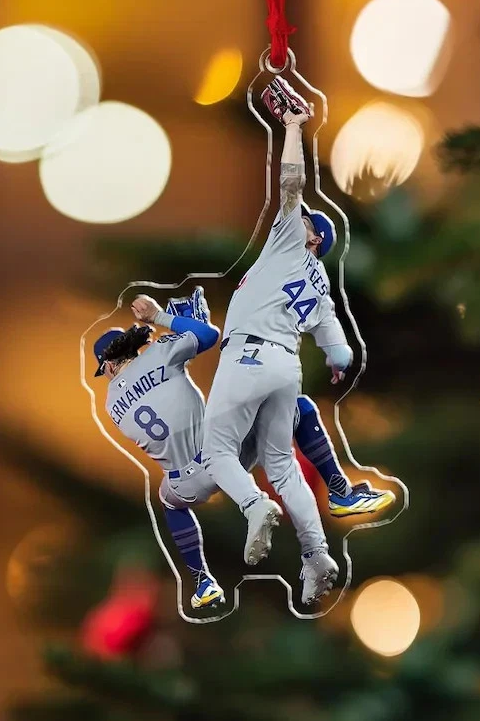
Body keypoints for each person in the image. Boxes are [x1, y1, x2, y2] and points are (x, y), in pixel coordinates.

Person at [94, 288, 394, 609]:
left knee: (170, 504)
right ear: (131, 347)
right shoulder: (157, 353)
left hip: (186, 480)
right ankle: (338, 491)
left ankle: (203, 581)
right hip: (225, 451)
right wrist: (170, 320)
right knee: (300, 409)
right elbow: (208, 336)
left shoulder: (111, 404)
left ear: (109, 367)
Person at [198, 77, 358, 604]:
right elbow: (338, 348)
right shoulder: (319, 286)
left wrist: (292, 127)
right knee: (283, 467)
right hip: (285, 368)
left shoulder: (292, 240)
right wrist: (337, 360)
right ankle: (317, 557)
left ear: (311, 238)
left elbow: (290, 183)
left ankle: (252, 506)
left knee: (216, 449)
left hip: (247, 357)